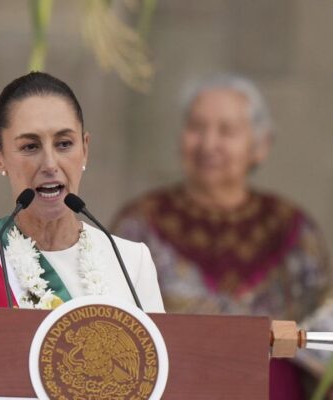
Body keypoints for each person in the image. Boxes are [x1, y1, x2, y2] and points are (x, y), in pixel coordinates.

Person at [111, 74, 330, 399]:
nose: (208, 143)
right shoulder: (140, 223)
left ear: (260, 146)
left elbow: (322, 334)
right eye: (196, 127)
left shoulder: (293, 228)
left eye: (226, 131)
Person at [0, 71, 164, 315]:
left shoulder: (131, 260)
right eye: (30, 146)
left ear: (85, 149)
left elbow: (158, 355)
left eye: (64, 144)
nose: (50, 164)